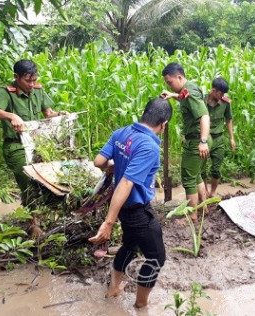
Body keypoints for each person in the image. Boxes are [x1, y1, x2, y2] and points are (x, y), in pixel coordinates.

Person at [89, 97, 172, 308]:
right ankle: (141, 305)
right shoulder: (149, 147)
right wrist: (108, 223)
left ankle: (114, 288)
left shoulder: (122, 132)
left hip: (124, 208)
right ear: (163, 124)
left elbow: (99, 161)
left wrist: (112, 165)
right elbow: (125, 183)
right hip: (135, 210)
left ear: (145, 114)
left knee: (130, 246)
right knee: (156, 258)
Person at [0, 59, 67, 235]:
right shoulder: (6, 93)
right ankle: (33, 222)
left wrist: (59, 114)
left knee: (51, 178)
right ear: (16, 77)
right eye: (28, 80)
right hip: (16, 147)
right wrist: (10, 115)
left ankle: (48, 215)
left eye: (34, 79)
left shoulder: (37, 90)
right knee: (29, 180)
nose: (32, 84)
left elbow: (48, 113)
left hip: (38, 145)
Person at [161, 62, 210, 222]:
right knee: (196, 176)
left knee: (188, 179)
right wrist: (171, 94)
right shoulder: (187, 90)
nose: (170, 85)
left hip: (197, 140)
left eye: (170, 82)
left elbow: (204, 116)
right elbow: (184, 98)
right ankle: (203, 207)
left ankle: (192, 216)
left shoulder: (189, 93)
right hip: (196, 139)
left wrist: (202, 141)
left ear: (179, 77)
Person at [201, 77, 236, 197]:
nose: (222, 96)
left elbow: (228, 120)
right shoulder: (201, 101)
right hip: (204, 139)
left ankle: (212, 193)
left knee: (216, 169)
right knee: (201, 169)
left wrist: (231, 138)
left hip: (218, 139)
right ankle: (204, 192)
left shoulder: (225, 103)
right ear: (213, 90)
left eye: (223, 94)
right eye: (220, 93)